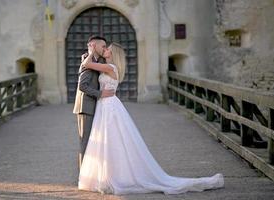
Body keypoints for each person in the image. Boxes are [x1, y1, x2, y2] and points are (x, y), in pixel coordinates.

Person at [78, 42, 224, 195]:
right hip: (105, 105)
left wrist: (90, 50)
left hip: (108, 106)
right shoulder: (107, 66)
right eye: (105, 48)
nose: (106, 50)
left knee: (113, 140)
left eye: (108, 49)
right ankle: (106, 176)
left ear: (114, 54)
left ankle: (114, 177)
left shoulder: (110, 68)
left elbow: (87, 64)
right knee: (109, 141)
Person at [73, 36, 115, 172]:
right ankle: (83, 177)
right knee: (85, 142)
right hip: (85, 107)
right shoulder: (86, 59)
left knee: (94, 142)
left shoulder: (100, 61)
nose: (104, 48)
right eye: (102, 46)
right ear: (93, 45)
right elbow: (82, 86)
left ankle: (94, 173)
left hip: (96, 106)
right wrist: (100, 94)